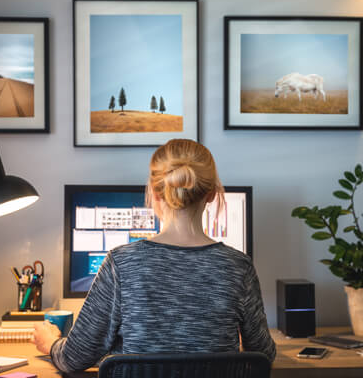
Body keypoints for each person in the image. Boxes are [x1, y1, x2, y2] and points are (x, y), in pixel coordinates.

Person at [33, 139, 276, 372]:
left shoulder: (121, 263)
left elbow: (75, 358)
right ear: (212, 194)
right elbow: (263, 354)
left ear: (155, 193)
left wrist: (52, 343)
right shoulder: (238, 266)